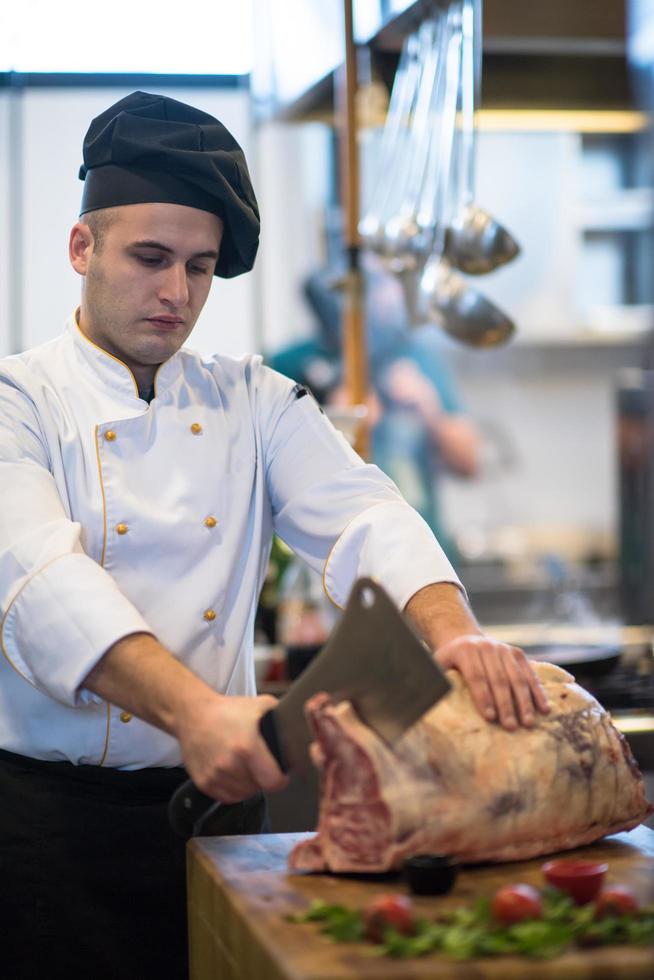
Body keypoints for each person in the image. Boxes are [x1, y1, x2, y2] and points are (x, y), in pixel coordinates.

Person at [0, 91, 549, 980]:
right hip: (52, 831)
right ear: (81, 247)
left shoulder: (250, 397)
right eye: (150, 257)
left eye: (201, 266)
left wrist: (458, 635)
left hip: (224, 815)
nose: (177, 294)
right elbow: (38, 582)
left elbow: (363, 513)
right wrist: (197, 713)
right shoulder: (16, 402)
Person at [269, 253, 481, 558]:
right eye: (379, 286)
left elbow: (469, 464)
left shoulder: (416, 357)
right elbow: (270, 476)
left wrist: (429, 410)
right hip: (335, 559)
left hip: (421, 555)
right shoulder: (290, 364)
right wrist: (335, 425)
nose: (391, 296)